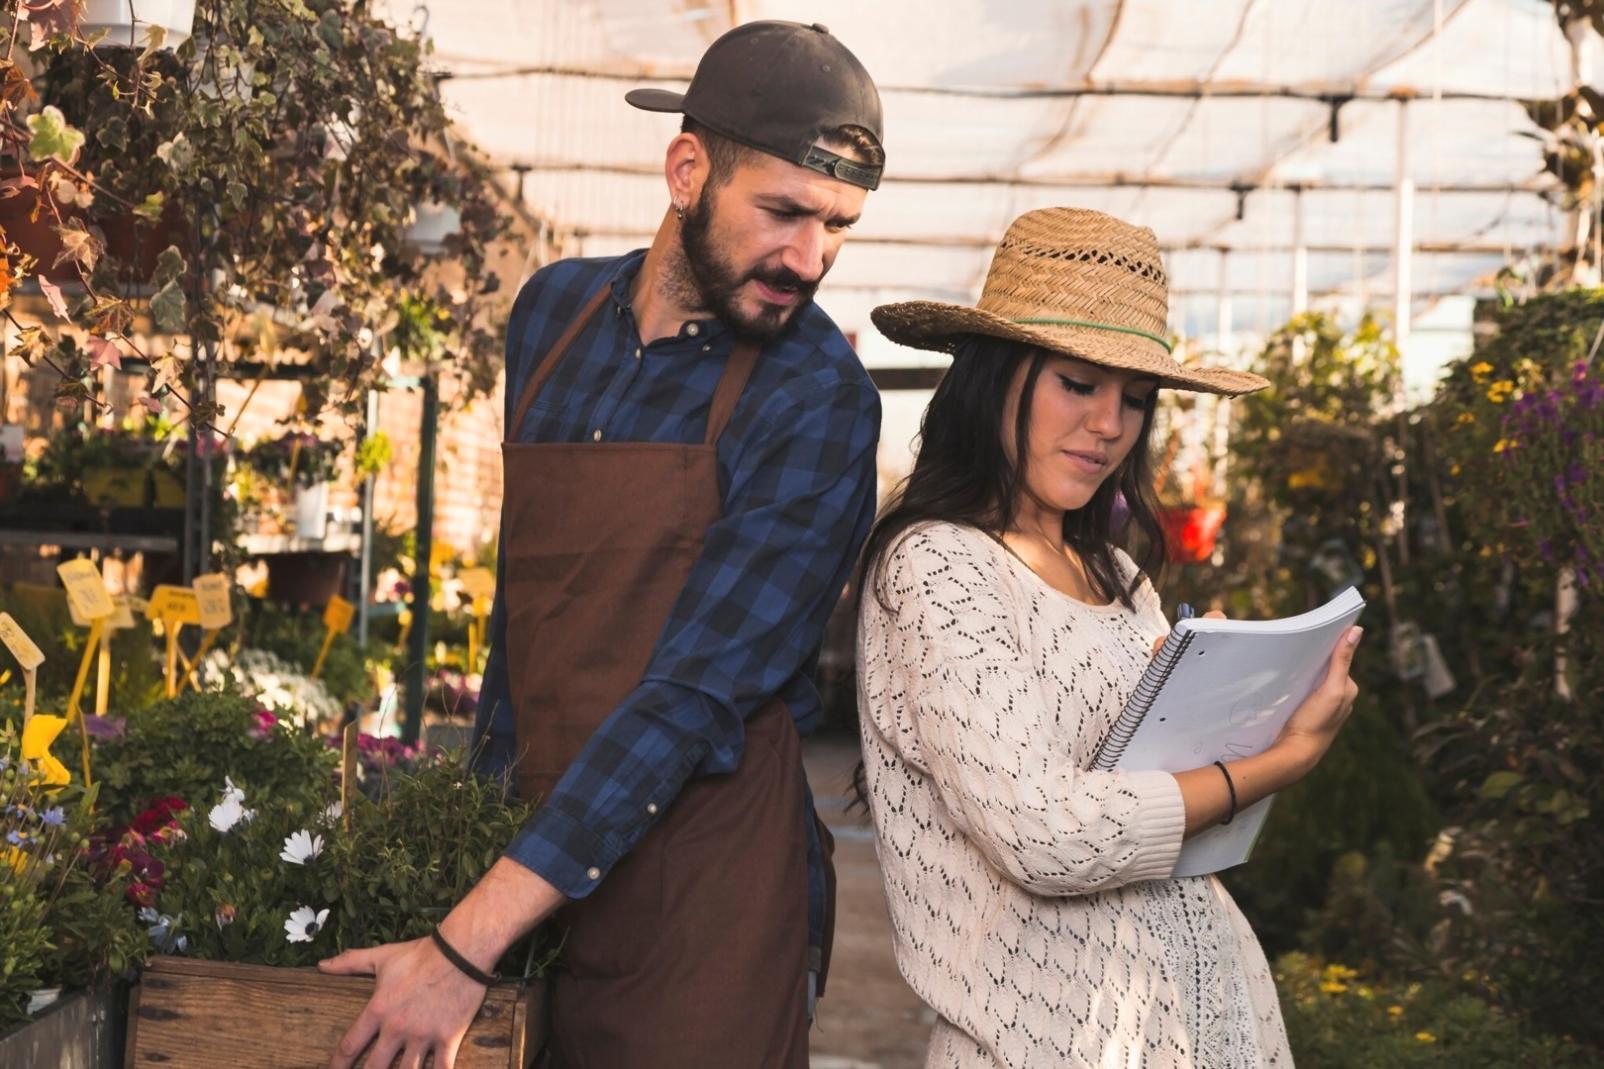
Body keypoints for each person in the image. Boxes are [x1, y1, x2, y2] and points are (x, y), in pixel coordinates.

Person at [321, 21, 885, 1069]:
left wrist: (462, 943)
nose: (809, 260)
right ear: (685, 170)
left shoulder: (818, 400)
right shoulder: (552, 317)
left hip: (698, 901)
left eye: (839, 227)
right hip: (526, 870)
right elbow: (525, 623)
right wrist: (461, 856)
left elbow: (691, 698)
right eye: (784, 213)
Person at [855, 207, 1363, 1067]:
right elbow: (1044, 834)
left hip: (1210, 1024)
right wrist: (1279, 760)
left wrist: (1238, 697)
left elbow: (1183, 828)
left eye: (1134, 398)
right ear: (998, 377)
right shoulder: (937, 567)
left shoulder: (1120, 578)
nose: (1109, 425)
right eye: (1078, 384)